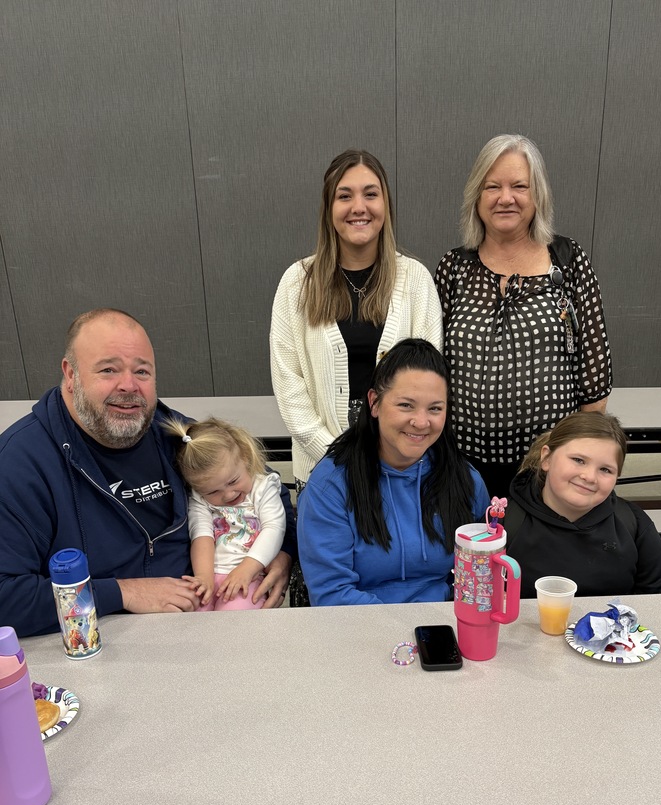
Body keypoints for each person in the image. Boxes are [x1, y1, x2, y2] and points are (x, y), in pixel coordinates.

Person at [0, 308, 295, 637]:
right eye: (108, 370)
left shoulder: (171, 434)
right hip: (97, 639)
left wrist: (282, 554)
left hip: (201, 622)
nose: (128, 385)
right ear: (71, 374)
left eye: (142, 372)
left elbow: (264, 484)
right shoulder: (19, 464)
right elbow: (7, 598)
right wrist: (123, 592)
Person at [435, 134, 613, 500]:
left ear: (537, 196)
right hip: (463, 468)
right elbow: (431, 366)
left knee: (538, 557)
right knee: (473, 556)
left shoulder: (568, 260)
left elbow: (595, 376)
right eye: (493, 186)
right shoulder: (453, 268)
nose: (506, 198)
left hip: (548, 469)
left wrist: (576, 459)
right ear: (477, 196)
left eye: (519, 186)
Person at [270, 148, 443, 490]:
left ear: (385, 206)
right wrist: (338, 457)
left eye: (371, 194)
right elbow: (289, 385)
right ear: (329, 208)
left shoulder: (415, 279)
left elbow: (428, 379)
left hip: (399, 471)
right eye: (344, 196)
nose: (359, 207)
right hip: (321, 472)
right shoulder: (297, 282)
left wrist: (388, 455)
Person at [298, 339, 490, 605]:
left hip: (443, 628)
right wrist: (409, 630)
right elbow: (331, 594)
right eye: (406, 405)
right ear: (375, 403)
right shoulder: (331, 484)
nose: (422, 422)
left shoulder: (465, 479)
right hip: (358, 629)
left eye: (435, 408)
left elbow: (478, 576)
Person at [507, 411, 661, 598]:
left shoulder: (632, 523)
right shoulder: (505, 524)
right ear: (547, 458)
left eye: (605, 470)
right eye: (578, 460)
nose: (589, 477)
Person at [166, 417, 286, 611]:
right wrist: (204, 578)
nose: (228, 494)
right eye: (213, 492)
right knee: (193, 614)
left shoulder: (263, 488)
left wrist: (247, 569)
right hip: (210, 573)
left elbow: (274, 528)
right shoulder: (200, 497)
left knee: (235, 617)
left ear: (245, 457)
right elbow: (201, 535)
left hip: (250, 574)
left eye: (233, 481)